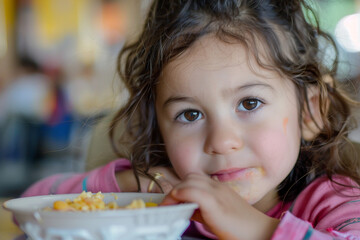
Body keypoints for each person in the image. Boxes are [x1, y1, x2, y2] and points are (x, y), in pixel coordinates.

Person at [21, 0, 360, 239]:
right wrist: (132, 187)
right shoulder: (160, 202)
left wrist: (257, 230)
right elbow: (32, 209)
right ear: (160, 128)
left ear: (310, 111)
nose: (221, 140)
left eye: (250, 103)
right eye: (190, 114)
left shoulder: (333, 201)